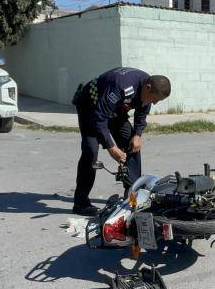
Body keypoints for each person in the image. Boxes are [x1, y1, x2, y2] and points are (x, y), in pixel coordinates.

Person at [71, 67, 171, 215]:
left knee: (133, 144)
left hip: (115, 111)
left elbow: (142, 113)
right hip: (91, 107)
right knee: (90, 150)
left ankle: (131, 197)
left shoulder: (147, 88)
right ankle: (80, 203)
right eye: (155, 99)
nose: (154, 103)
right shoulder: (123, 85)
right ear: (148, 88)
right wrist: (111, 147)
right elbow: (100, 117)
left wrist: (137, 135)